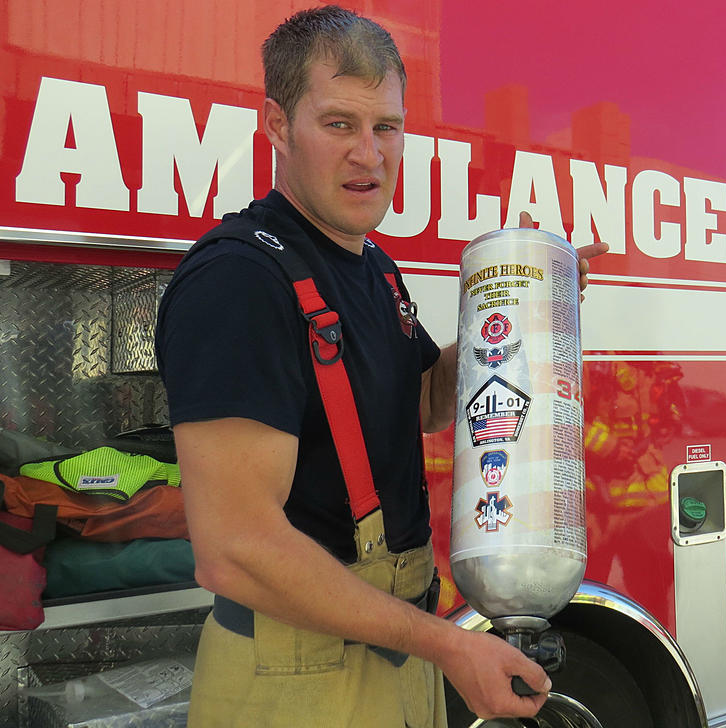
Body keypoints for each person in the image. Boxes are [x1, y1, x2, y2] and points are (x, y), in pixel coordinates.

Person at [155, 6, 607, 727]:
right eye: (339, 124)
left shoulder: (372, 269)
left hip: (389, 660)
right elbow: (234, 551)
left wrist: (526, 309)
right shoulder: (239, 281)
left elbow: (425, 398)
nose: (370, 154)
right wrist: (450, 647)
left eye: (386, 127)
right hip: (291, 680)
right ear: (276, 124)